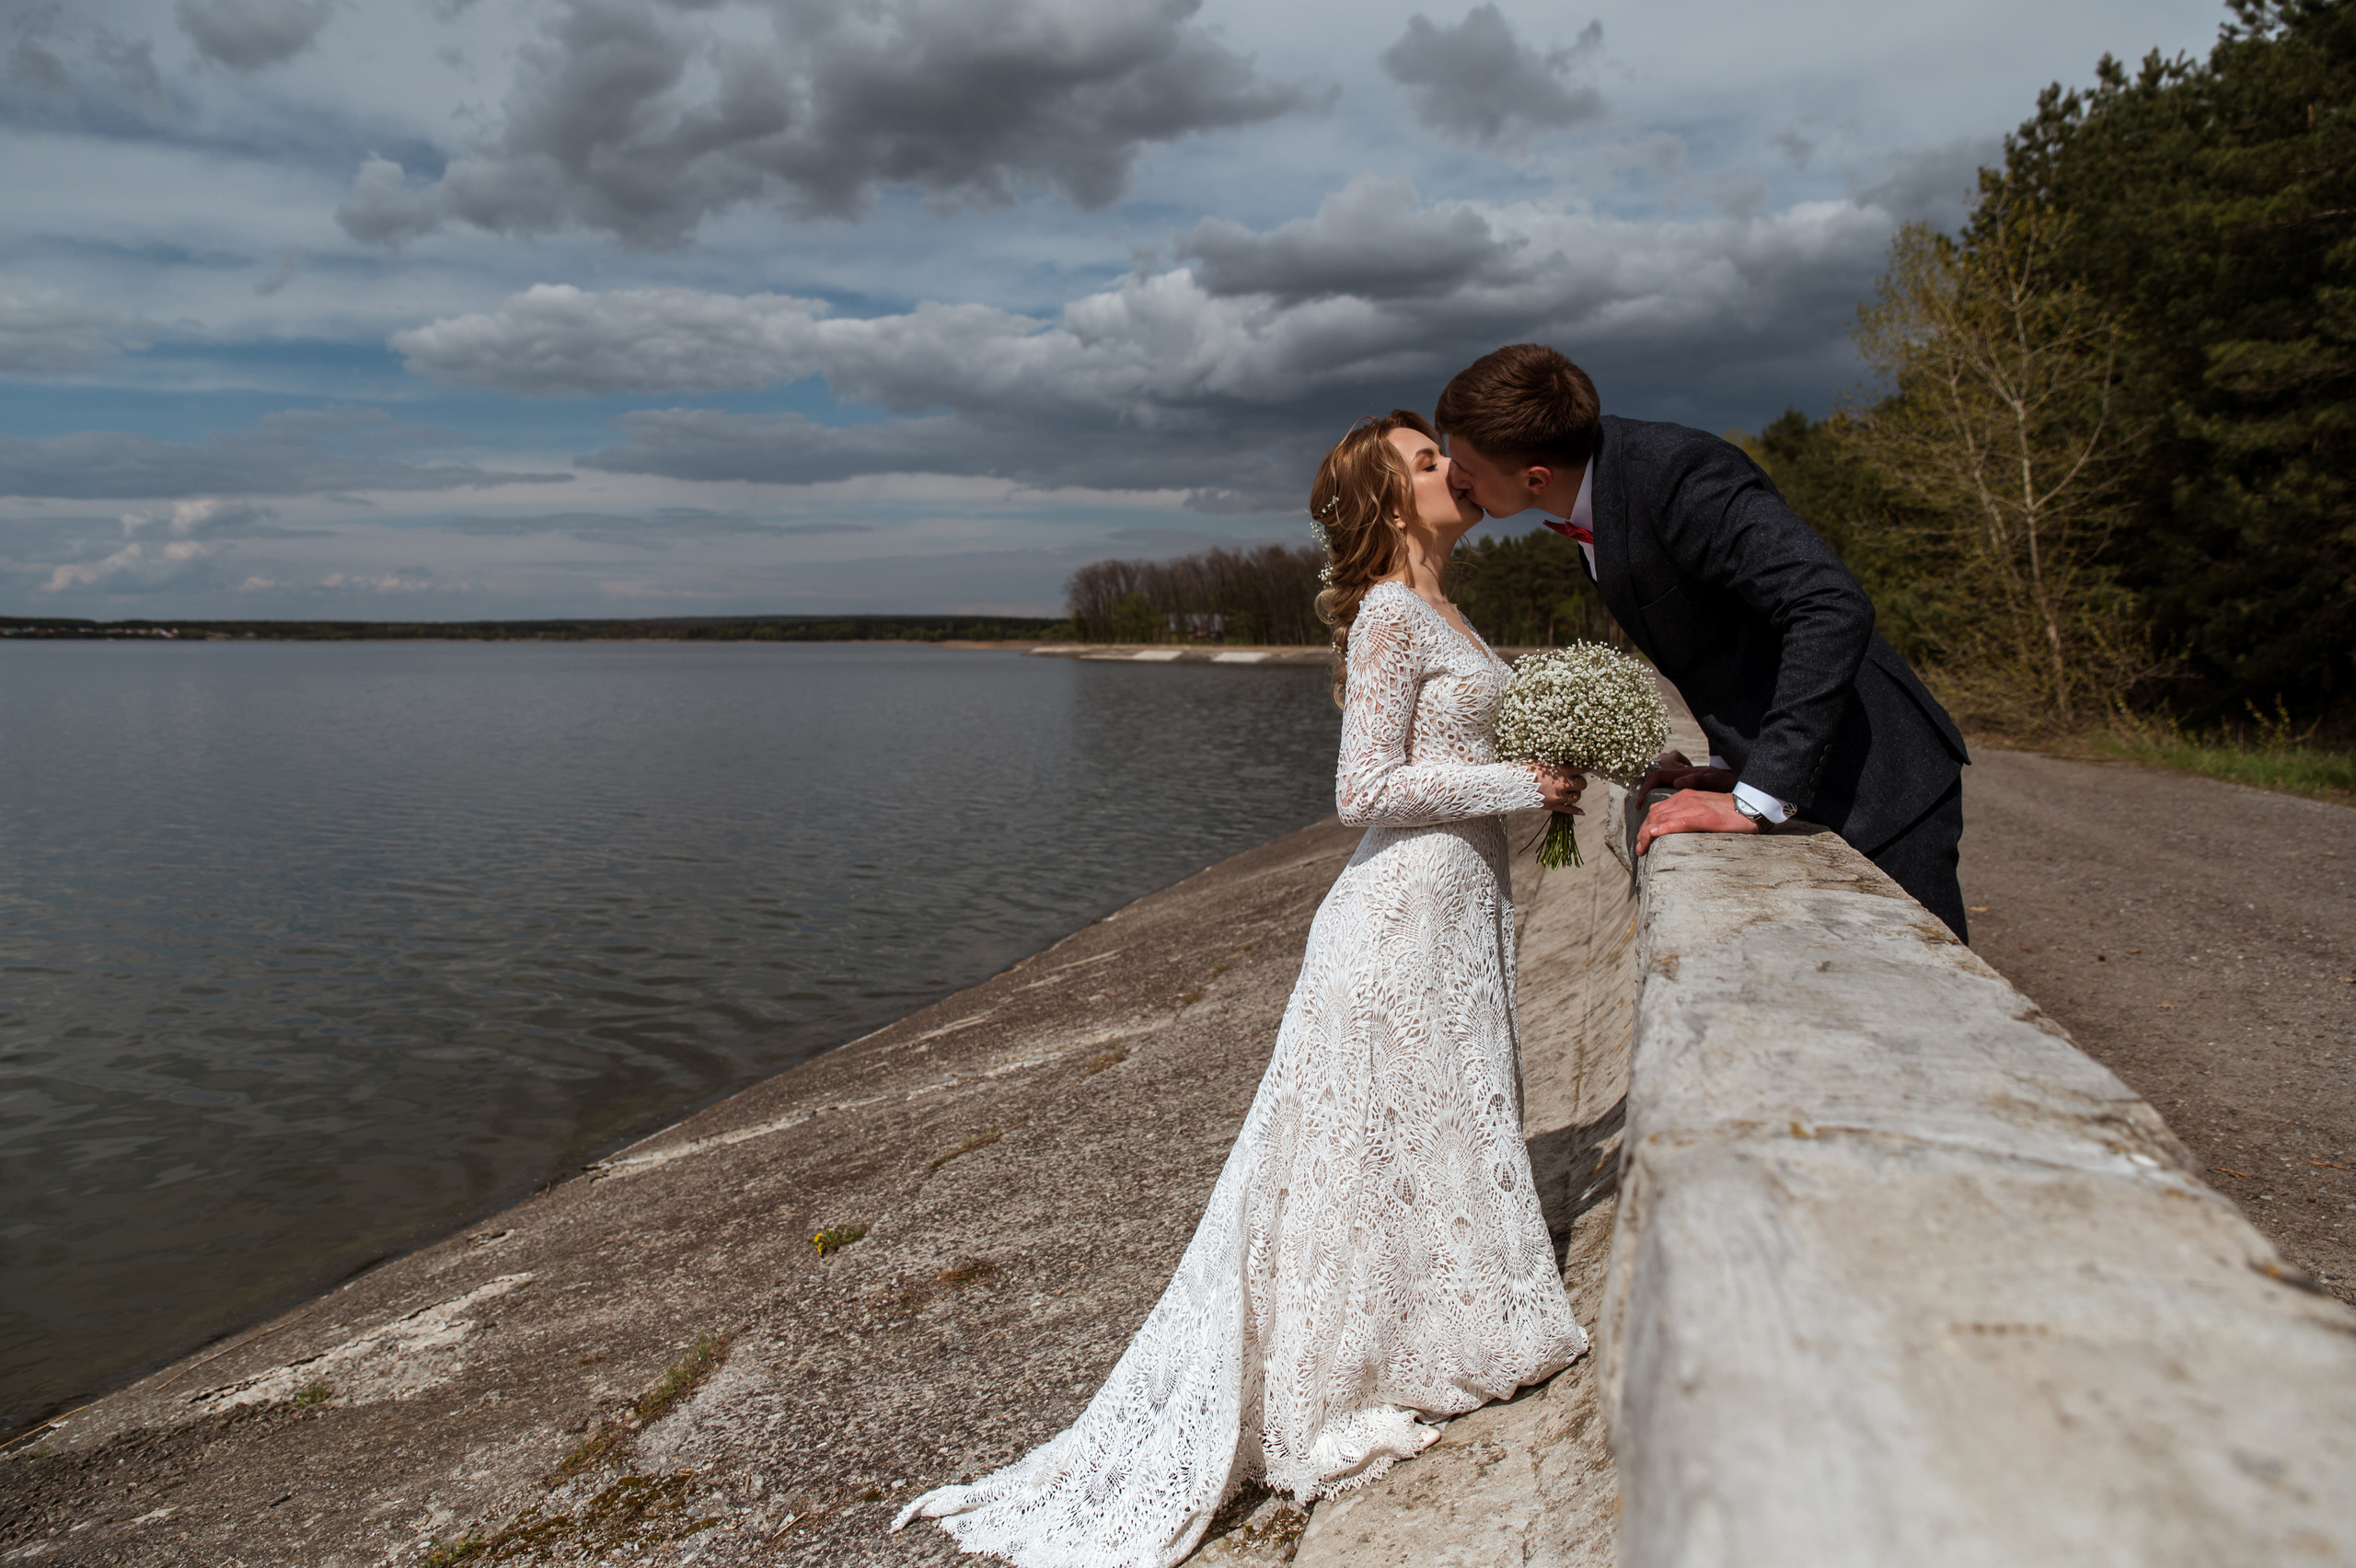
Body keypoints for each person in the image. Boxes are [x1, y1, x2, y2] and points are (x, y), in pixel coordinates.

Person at [891, 411, 1591, 1567]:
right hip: (1397, 914)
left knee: (1431, 1120)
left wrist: (1534, 785)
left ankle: (1436, 1324)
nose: (1451, 472)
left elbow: (1435, 766)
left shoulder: (1449, 610)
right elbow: (1360, 789)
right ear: (1383, 500)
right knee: (1366, 1135)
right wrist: (1520, 778)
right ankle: (1351, 1371)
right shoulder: (1386, 614)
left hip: (1460, 905)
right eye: (1425, 463)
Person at [1435, 343, 1972, 941]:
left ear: (1535, 477)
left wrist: (1757, 796)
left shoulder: (1677, 475)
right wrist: (1730, 763)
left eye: (1465, 465)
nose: (1454, 477)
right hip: (1821, 783)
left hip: (1880, 786)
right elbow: (1720, 641)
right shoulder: (1603, 489)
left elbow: (1829, 604)